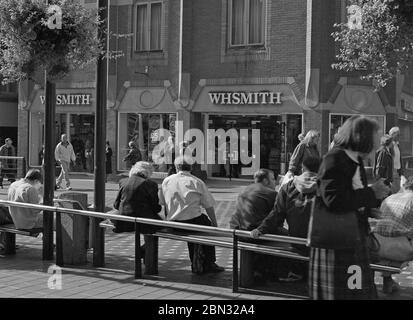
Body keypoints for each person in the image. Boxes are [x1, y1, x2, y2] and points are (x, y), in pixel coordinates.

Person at [309, 115, 390, 300]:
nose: (379, 138)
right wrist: (371, 193)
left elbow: (350, 194)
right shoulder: (335, 158)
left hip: (351, 237)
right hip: (337, 241)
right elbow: (333, 200)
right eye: (376, 134)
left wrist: (369, 209)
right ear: (363, 136)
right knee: (348, 293)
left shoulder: (354, 159)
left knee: (355, 290)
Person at [251, 156, 321, 281]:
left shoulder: (288, 187)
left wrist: (261, 229)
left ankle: (297, 272)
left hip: (297, 241)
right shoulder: (326, 186)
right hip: (321, 241)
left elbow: (277, 214)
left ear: (302, 168)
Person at [159, 155, 225, 274]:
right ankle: (209, 262)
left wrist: (167, 220)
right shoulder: (196, 182)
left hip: (173, 222)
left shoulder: (166, 181)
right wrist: (215, 224)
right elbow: (208, 206)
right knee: (205, 224)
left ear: (176, 167)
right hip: (192, 222)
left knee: (197, 221)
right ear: (191, 167)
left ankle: (198, 260)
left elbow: (163, 203)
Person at [371, 176, 413, 293]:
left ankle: (388, 281)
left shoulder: (390, 198)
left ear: (405, 186)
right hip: (400, 249)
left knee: (393, 230)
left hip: (377, 245)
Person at [112, 162, 162, 235]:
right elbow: (156, 208)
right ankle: (149, 246)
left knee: (109, 214)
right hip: (144, 223)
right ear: (148, 172)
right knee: (157, 223)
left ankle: (146, 246)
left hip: (124, 221)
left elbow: (116, 205)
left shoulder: (123, 181)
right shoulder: (151, 184)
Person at [389, 127, 404, 193]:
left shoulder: (397, 145)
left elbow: (399, 158)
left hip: (398, 171)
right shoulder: (389, 145)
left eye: (400, 135)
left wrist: (401, 171)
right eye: (398, 135)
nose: (399, 136)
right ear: (392, 134)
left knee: (397, 191)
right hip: (392, 171)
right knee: (393, 192)